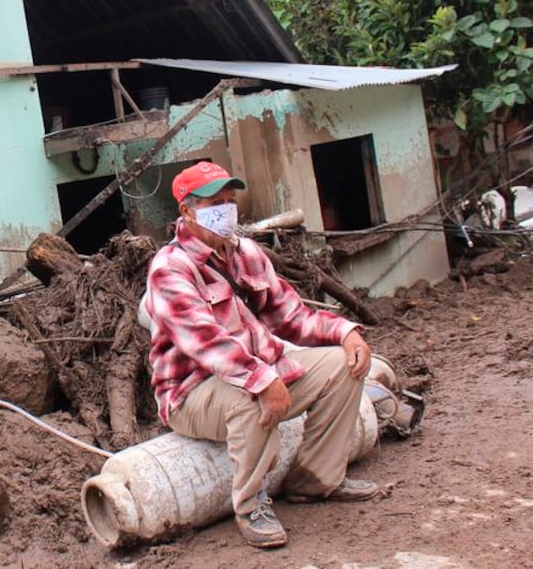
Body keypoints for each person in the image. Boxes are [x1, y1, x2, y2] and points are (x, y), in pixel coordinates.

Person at [139, 160, 378, 549]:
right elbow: (208, 343)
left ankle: (316, 479)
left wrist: (345, 332)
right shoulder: (170, 269)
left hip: (252, 371)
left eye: (230, 200)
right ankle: (251, 505)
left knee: (341, 365)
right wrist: (264, 380)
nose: (226, 209)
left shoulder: (245, 252)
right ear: (186, 211)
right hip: (191, 392)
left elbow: (289, 314)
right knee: (252, 396)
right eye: (215, 202)